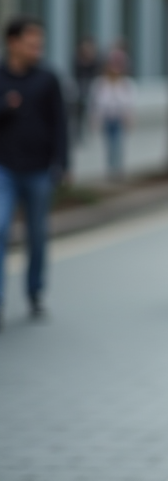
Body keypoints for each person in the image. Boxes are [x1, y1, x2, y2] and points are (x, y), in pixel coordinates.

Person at [0, 17, 69, 327]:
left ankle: (34, 291)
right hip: (4, 169)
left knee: (37, 234)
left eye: (39, 43)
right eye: (31, 44)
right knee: (0, 228)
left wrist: (63, 163)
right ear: (13, 43)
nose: (36, 49)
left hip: (39, 169)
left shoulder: (48, 78)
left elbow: (61, 123)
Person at [89, 53, 136, 181]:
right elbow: (96, 103)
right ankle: (111, 170)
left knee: (118, 144)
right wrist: (95, 119)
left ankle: (118, 169)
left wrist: (129, 119)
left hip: (119, 118)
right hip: (106, 118)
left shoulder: (125, 83)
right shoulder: (100, 83)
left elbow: (129, 103)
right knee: (109, 145)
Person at [71, 37, 99, 142]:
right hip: (80, 90)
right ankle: (78, 134)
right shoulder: (77, 59)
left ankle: (89, 131)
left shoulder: (95, 60)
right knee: (79, 114)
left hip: (90, 90)